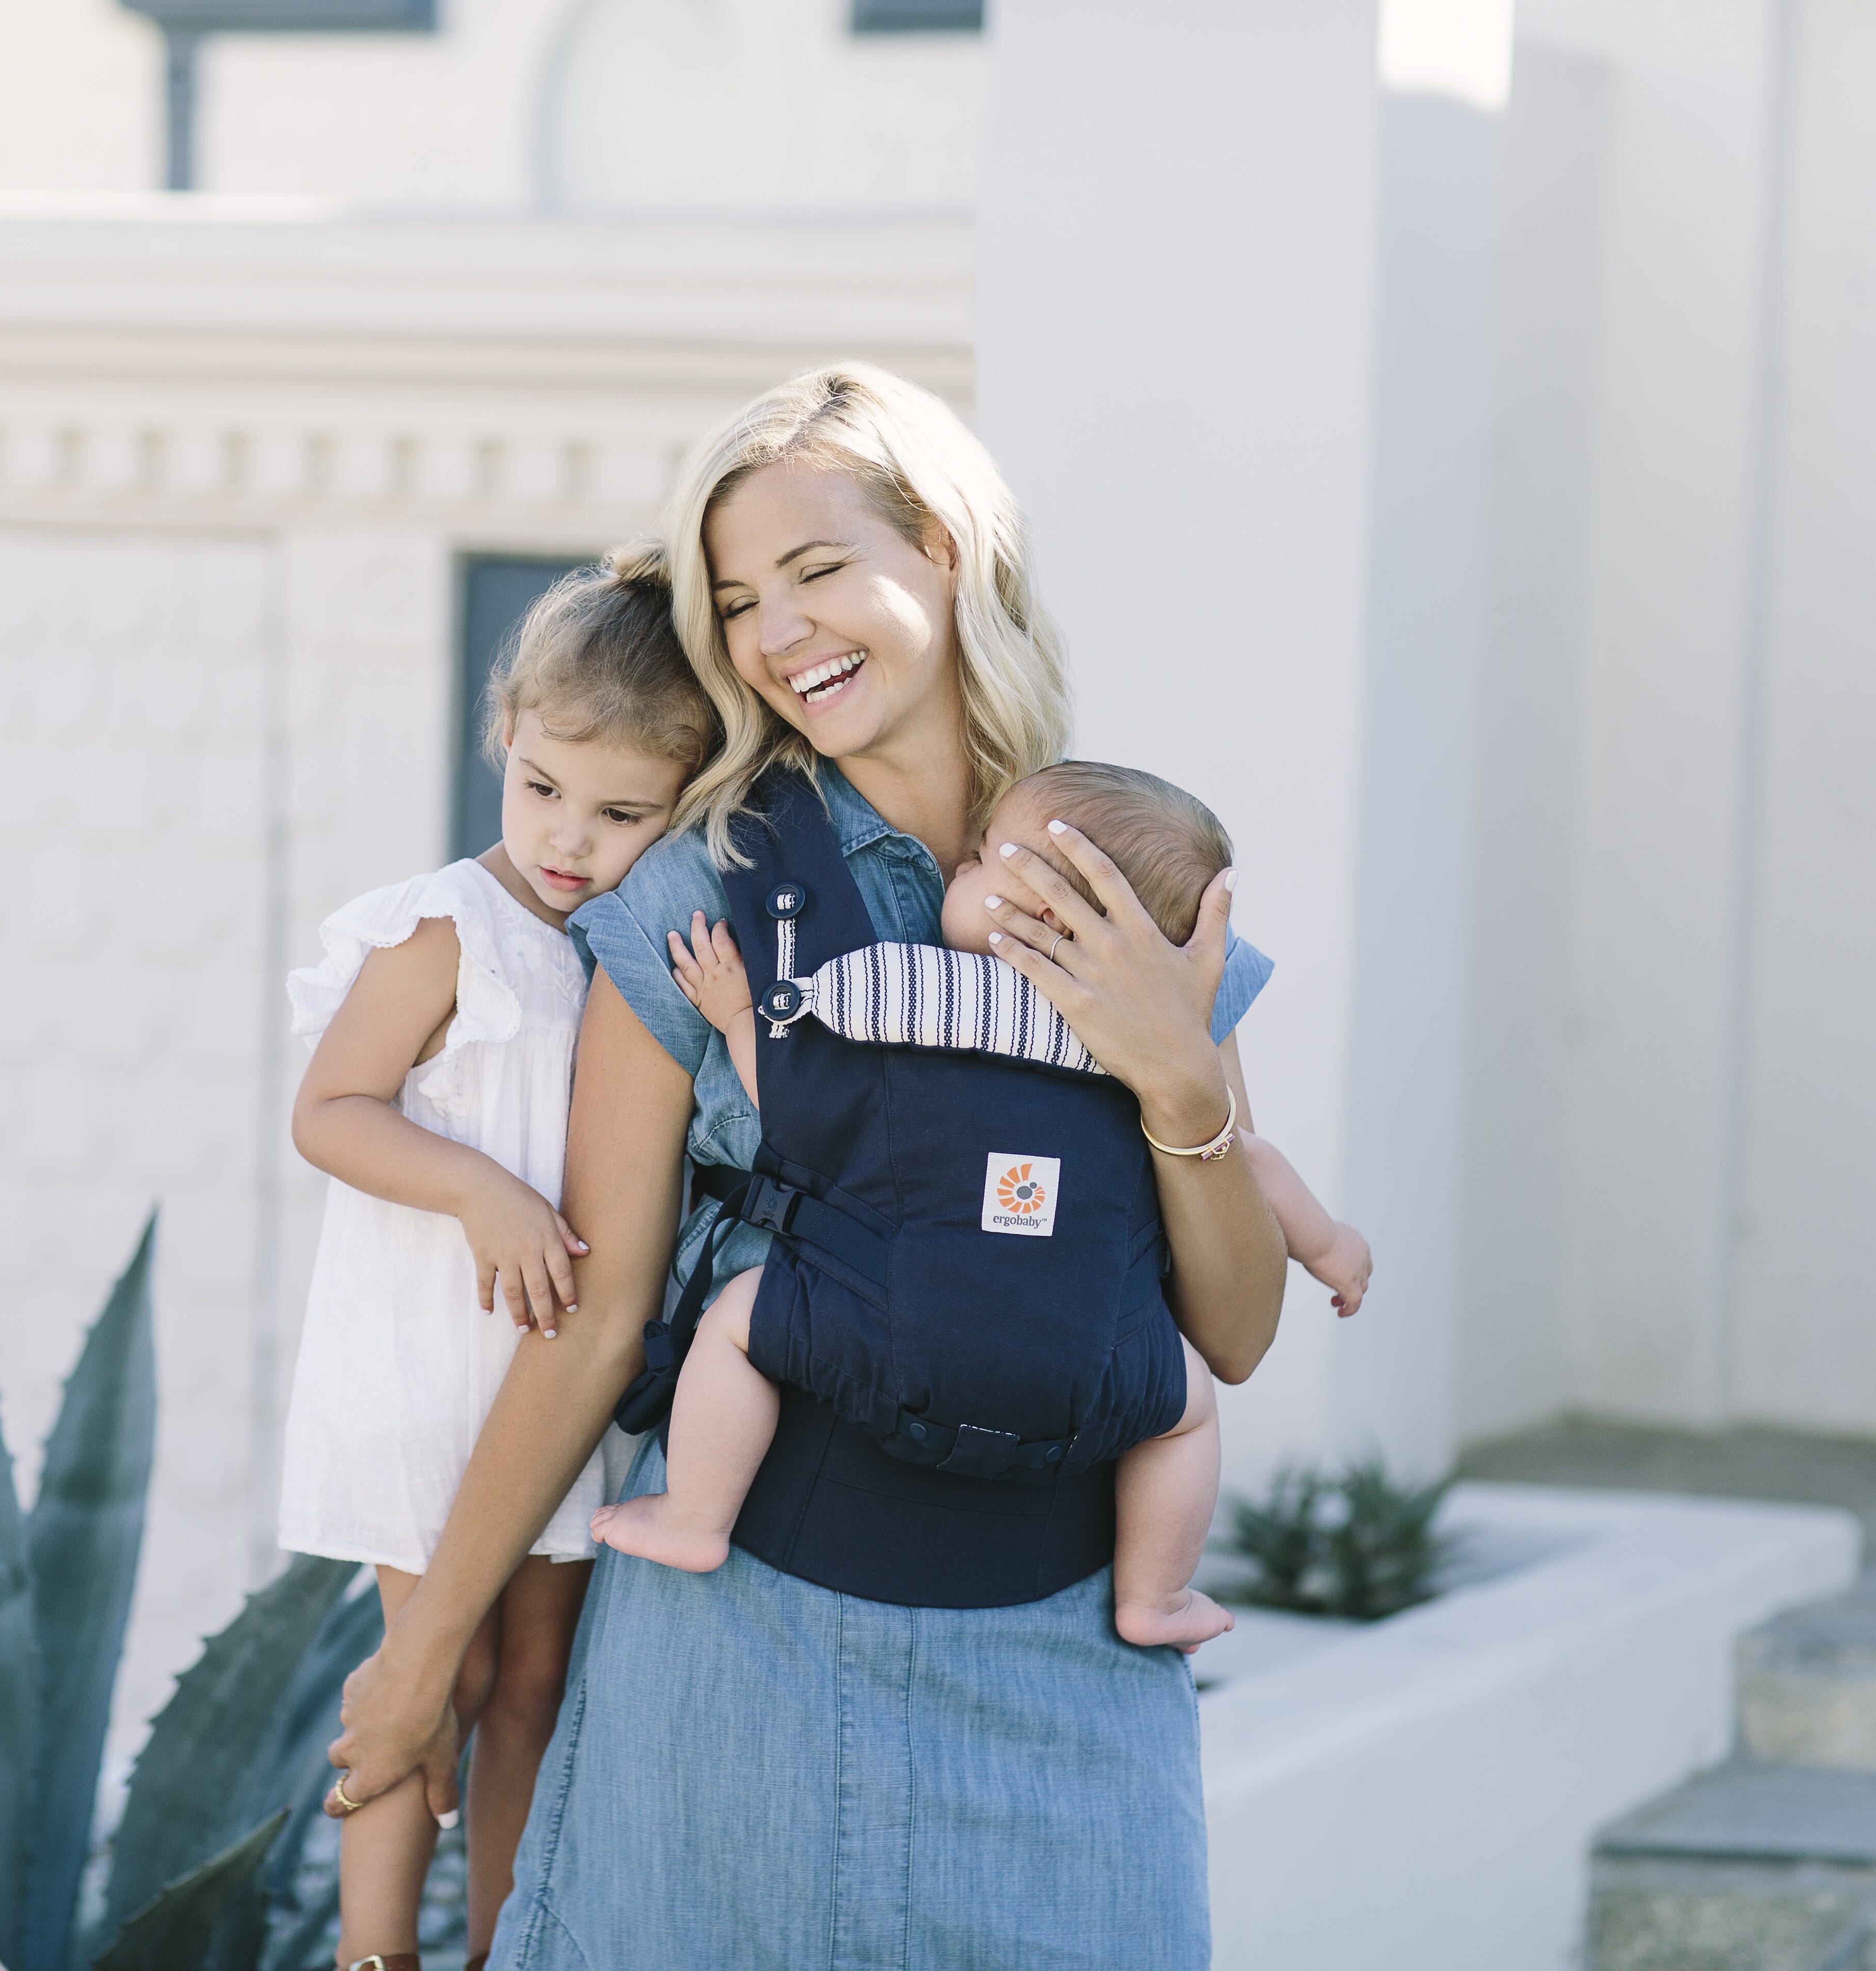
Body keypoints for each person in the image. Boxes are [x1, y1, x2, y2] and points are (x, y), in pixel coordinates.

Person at [321, 363, 1293, 1969]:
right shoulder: (700, 891)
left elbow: (1238, 1331)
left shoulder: (1126, 865)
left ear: (945, 547)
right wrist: (425, 1652)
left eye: (818, 571)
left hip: (1067, 1677)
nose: (779, 634)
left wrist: (1181, 1077)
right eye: (738, 602)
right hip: (740, 1658)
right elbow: (595, 1312)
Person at [591, 758, 1372, 1651]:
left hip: (886, 1328)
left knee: (738, 1324)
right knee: (1186, 1409)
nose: (959, 867)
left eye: (983, 864)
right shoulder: (1144, 1047)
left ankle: (696, 1513)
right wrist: (1331, 1245)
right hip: (1089, 1360)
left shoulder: (910, 991)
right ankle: (1156, 1594)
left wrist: (739, 1016)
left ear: (1043, 917)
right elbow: (1255, 1167)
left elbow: (808, 1110)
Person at [280, 553, 713, 1971]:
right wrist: (479, 1190)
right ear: (502, 744)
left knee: (540, 1678)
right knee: (442, 1668)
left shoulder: (631, 955)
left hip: (561, 1391)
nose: (568, 838)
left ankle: (502, 1945)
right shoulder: (444, 927)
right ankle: (375, 1950)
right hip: (428, 1366)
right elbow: (331, 1113)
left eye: (620, 813)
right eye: (540, 787)